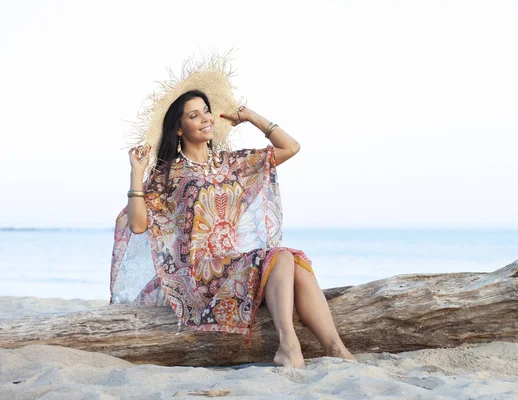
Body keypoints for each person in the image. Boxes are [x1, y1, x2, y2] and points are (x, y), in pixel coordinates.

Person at [109, 53, 355, 368]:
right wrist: (135, 172)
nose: (206, 118)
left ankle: (336, 349)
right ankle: (288, 344)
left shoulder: (232, 163)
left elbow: (290, 147)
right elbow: (140, 225)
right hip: (199, 276)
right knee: (281, 256)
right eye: (194, 115)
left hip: (233, 263)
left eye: (207, 112)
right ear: (179, 129)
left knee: (293, 260)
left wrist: (250, 116)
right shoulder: (169, 174)